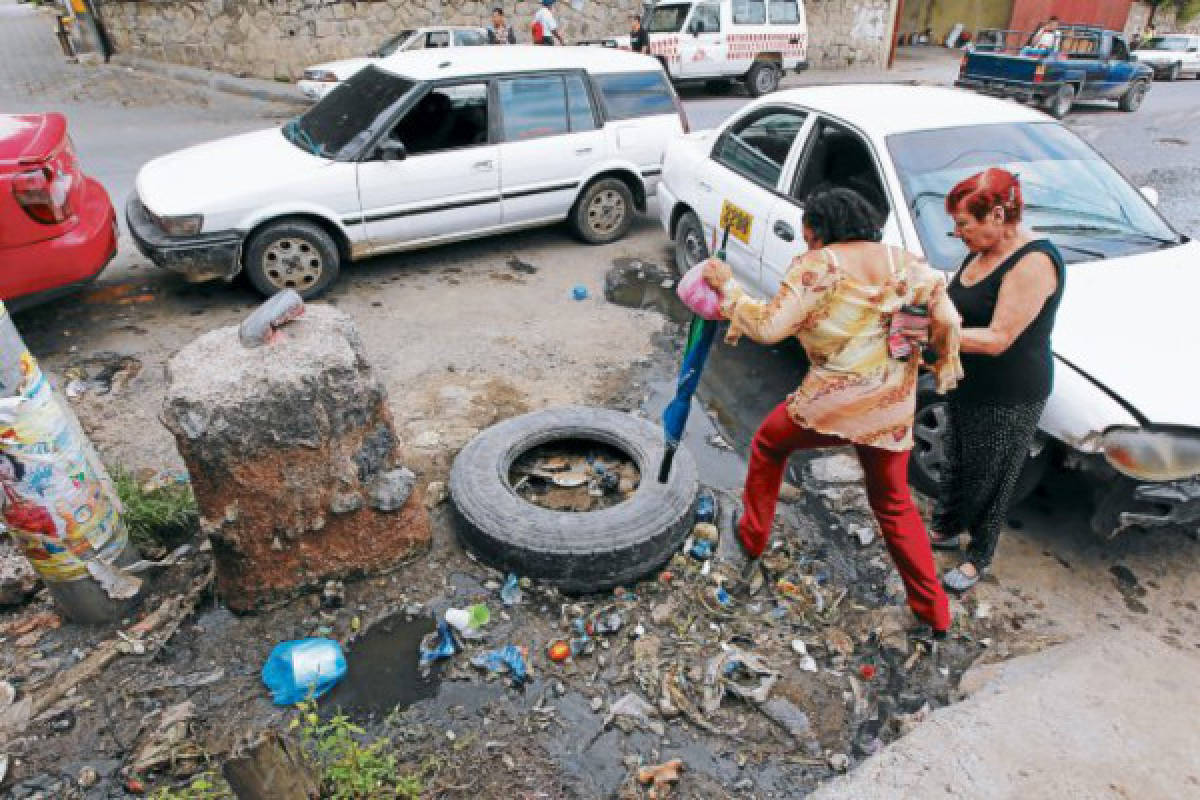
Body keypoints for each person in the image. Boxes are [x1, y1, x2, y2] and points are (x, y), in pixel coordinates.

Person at [704, 188, 963, 636]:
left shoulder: (818, 267)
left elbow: (768, 328)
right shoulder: (909, 265)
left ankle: (752, 536)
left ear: (819, 230)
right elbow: (932, 329)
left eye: (807, 234)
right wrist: (939, 361)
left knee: (768, 444)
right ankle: (934, 613)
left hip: (833, 406)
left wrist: (727, 286)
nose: (806, 242)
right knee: (894, 503)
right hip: (890, 408)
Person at [931, 168, 1066, 592]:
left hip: (1010, 391)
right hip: (966, 380)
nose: (958, 233)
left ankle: (979, 556)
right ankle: (948, 527)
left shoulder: (1034, 263)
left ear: (998, 216)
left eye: (964, 224)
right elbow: (960, 307)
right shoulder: (981, 249)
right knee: (958, 460)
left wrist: (930, 334)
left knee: (993, 475)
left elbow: (997, 338)